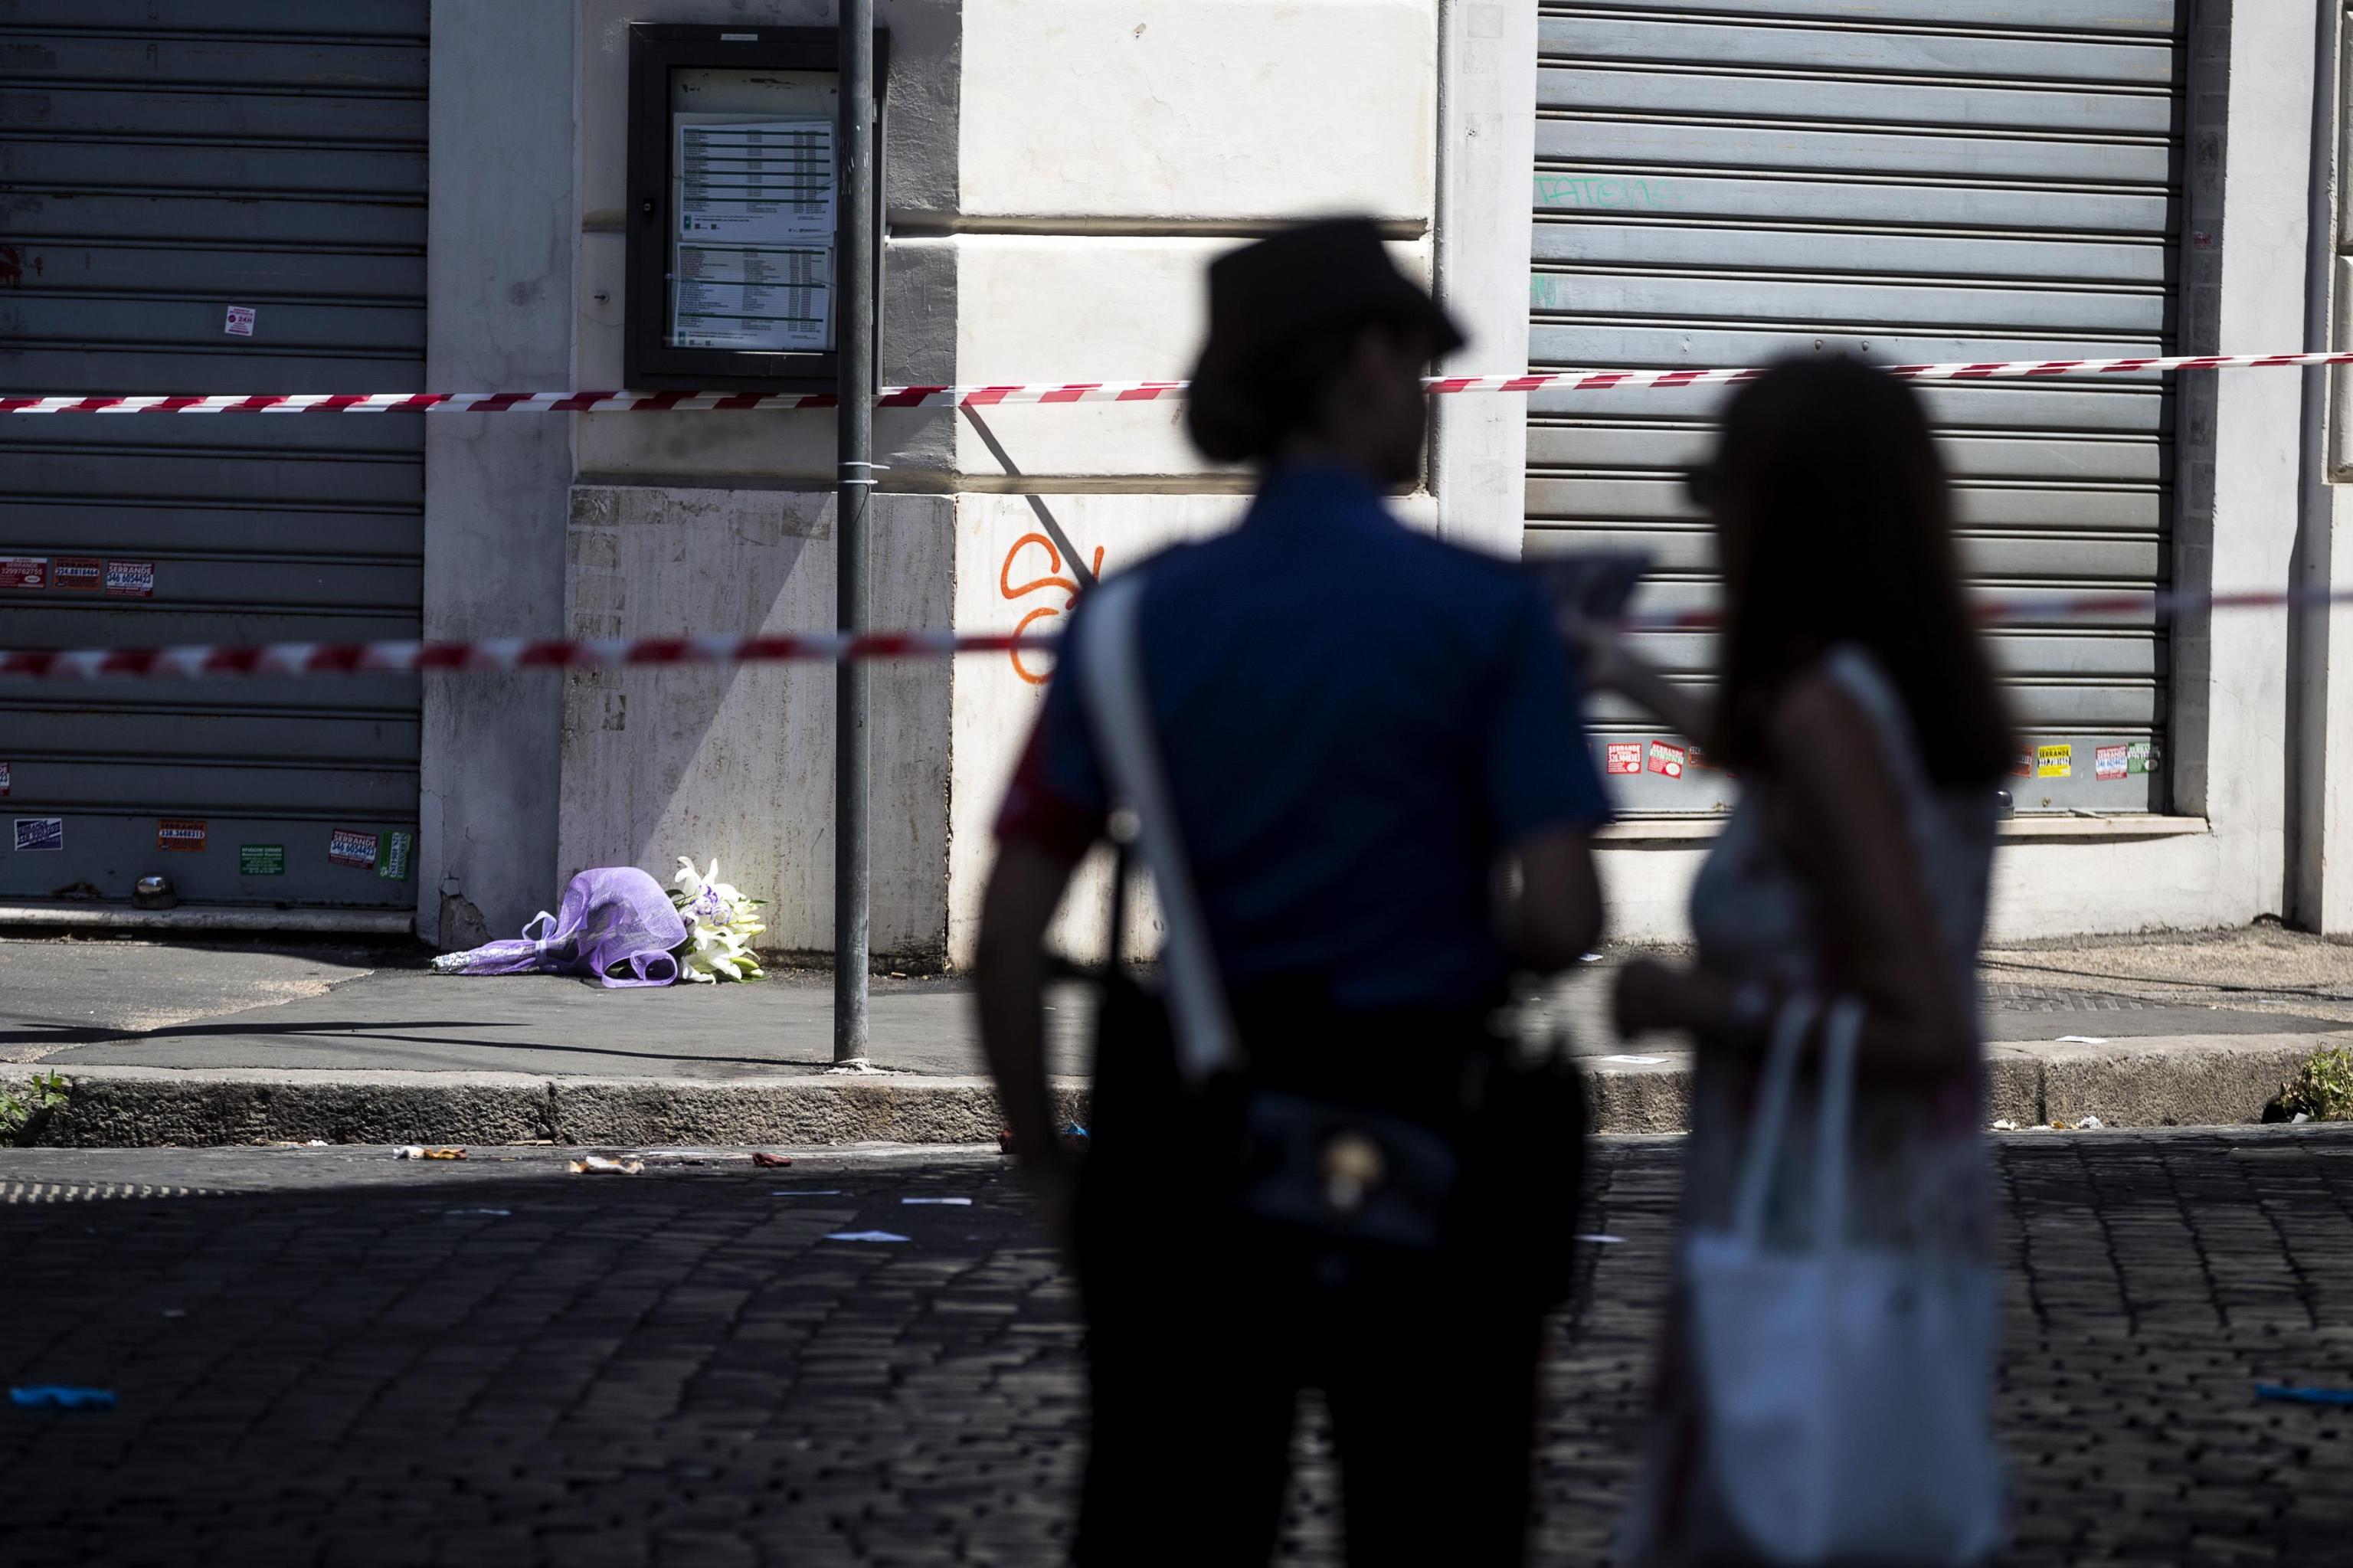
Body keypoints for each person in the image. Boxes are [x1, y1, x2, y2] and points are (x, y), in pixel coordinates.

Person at [972, 218, 1612, 1566]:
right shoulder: (1490, 615)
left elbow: (1014, 925)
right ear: (1369, 362)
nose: (1430, 399)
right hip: (1435, 1152)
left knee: (1178, 1528)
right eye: (1422, 366)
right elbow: (1562, 922)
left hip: (1195, 1166)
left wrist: (1047, 1171)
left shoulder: (1136, 616)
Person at [1586, 357, 2014, 1563]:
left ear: (1784, 515)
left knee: (1783, 1511)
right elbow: (1804, 793)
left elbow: (1920, 1022)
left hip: (1805, 1217)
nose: (1710, 525)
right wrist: (1620, 672)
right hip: (1894, 1211)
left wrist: (1690, 999)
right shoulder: (1906, 695)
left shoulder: (1830, 712)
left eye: (1719, 492)